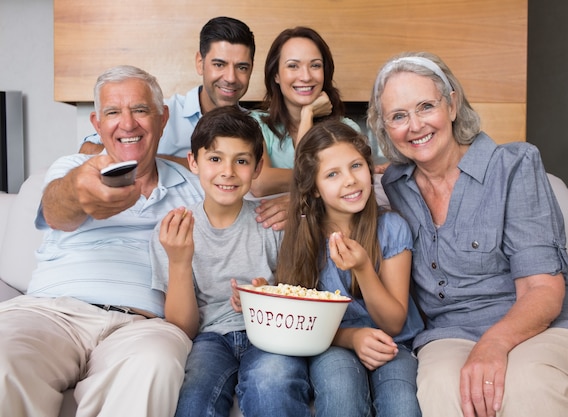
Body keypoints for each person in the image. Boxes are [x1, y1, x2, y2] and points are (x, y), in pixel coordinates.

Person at [367, 51, 568, 417]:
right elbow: (339, 193)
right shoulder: (394, 184)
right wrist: (295, 201)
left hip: (549, 324)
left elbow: (542, 290)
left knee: (528, 383)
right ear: (384, 129)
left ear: (452, 104)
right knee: (438, 389)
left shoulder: (515, 165)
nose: (414, 125)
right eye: (398, 116)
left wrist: (492, 346)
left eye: (426, 106)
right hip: (452, 332)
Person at [0, 65, 204, 416]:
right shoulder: (73, 168)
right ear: (96, 123)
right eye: (113, 112)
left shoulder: (195, 187)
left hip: (143, 325)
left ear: (162, 117)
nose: (127, 124)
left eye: (140, 110)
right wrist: (79, 193)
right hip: (51, 313)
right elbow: (55, 209)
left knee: (155, 363)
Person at [150, 105, 311, 417]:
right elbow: (182, 327)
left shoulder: (271, 221)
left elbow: (299, 296)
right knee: (195, 394)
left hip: (271, 334)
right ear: (193, 162)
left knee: (273, 381)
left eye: (241, 161)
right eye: (215, 159)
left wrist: (263, 297)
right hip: (210, 338)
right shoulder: (173, 231)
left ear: (258, 166)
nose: (228, 172)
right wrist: (179, 261)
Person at [275, 119, 424, 416]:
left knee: (401, 404)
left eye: (356, 166)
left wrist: (363, 269)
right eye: (332, 174)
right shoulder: (301, 237)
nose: (350, 180)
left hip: (393, 342)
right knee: (341, 394)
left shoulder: (391, 228)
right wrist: (352, 337)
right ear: (314, 189)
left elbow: (394, 323)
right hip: (332, 343)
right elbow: (301, 321)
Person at [79, 16, 255, 170]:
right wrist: (156, 163)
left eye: (242, 67)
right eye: (219, 64)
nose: (231, 78)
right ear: (200, 63)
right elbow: (88, 149)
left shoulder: (258, 126)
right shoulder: (157, 113)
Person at [248, 26, 361, 199]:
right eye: (293, 66)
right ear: (276, 75)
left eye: (315, 65)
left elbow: (353, 190)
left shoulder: (346, 128)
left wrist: (307, 115)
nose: (306, 76)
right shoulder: (254, 124)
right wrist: (320, 179)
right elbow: (259, 183)